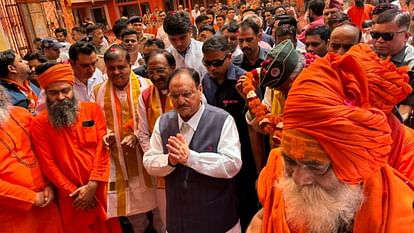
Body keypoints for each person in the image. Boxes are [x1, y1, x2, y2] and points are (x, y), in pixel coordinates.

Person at [247, 46, 414, 233]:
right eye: (290, 160)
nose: (299, 179)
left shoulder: (401, 216)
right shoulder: (277, 164)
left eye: (317, 166)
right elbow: (265, 215)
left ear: (354, 168)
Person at [143, 67, 242, 233]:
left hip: (218, 220)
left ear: (200, 90)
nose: (181, 101)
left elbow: (232, 164)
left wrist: (191, 158)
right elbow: (149, 162)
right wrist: (170, 160)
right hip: (179, 219)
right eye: (175, 96)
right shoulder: (164, 122)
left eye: (187, 94)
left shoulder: (222, 120)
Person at [31, 63, 122, 233]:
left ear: (72, 88)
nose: (60, 97)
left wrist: (93, 185)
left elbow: (103, 149)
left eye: (65, 90)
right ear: (46, 95)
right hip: (71, 197)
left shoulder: (92, 110)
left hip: (99, 188)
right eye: (53, 93)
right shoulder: (39, 123)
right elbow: (47, 164)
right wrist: (75, 193)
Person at [93, 45, 162, 233]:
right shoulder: (97, 91)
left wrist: (137, 135)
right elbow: (95, 122)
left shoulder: (147, 86)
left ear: (130, 64)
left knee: (158, 204)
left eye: (121, 67)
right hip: (118, 158)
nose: (116, 72)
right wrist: (105, 134)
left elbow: (157, 119)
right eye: (111, 68)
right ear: (105, 68)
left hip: (146, 154)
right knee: (131, 207)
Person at [202, 36, 260, 231]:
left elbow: (257, 118)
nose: (211, 68)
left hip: (244, 150)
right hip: (216, 151)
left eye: (216, 63)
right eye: (207, 63)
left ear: (229, 57)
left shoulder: (244, 80)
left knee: (245, 199)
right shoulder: (206, 81)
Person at [0, 85, 63, 232]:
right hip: (13, 213)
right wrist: (30, 197)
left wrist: (49, 184)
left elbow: (45, 152)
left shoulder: (21, 114)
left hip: (48, 200)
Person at [137, 49, 176, 227]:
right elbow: (143, 133)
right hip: (161, 167)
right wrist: (157, 158)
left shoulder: (188, 90)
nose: (155, 76)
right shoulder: (145, 96)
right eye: (150, 72)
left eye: (160, 70)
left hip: (189, 161)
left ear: (173, 67)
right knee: (168, 218)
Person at [372, 9, 414, 122]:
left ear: (406, 36)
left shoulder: (411, 66)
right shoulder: (367, 54)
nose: (379, 40)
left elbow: (405, 110)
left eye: (387, 36)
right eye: (375, 35)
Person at [163, 11, 207, 78]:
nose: (178, 44)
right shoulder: (166, 56)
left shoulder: (203, 50)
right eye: (173, 39)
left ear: (190, 31)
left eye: (182, 38)